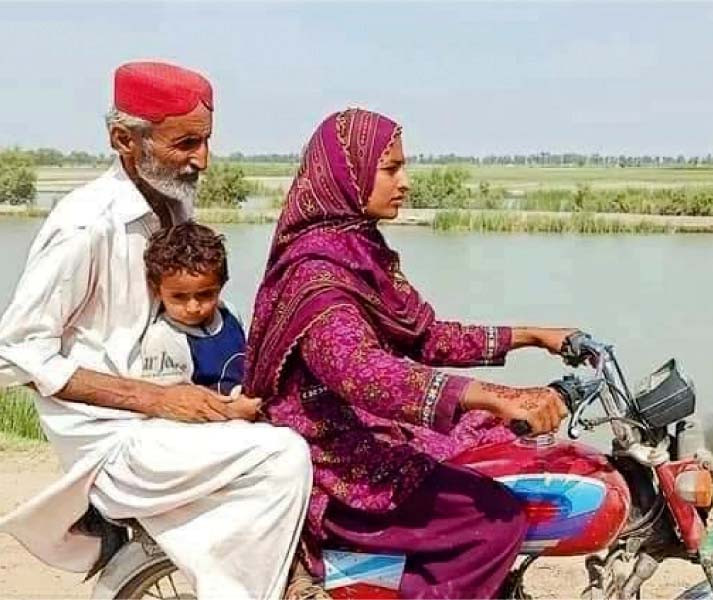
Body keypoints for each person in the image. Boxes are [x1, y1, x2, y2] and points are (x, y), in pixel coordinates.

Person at [0, 61, 311, 599]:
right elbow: (15, 353)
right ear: (124, 139)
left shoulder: (174, 201)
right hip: (113, 437)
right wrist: (159, 399)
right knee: (283, 457)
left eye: (206, 141)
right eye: (185, 143)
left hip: (165, 419)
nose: (203, 160)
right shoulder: (86, 225)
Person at [244, 108, 578, 599]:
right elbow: (362, 371)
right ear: (348, 174)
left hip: (362, 428)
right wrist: (489, 395)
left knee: (495, 443)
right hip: (335, 456)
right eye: (391, 169)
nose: (405, 182)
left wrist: (529, 335)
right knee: (497, 522)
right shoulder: (317, 273)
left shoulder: (358, 249)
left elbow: (425, 336)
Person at [141, 221, 245, 395]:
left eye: (205, 295)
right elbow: (172, 401)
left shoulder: (229, 314)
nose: (193, 308)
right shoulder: (164, 338)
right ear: (156, 290)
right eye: (179, 297)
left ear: (222, 284)